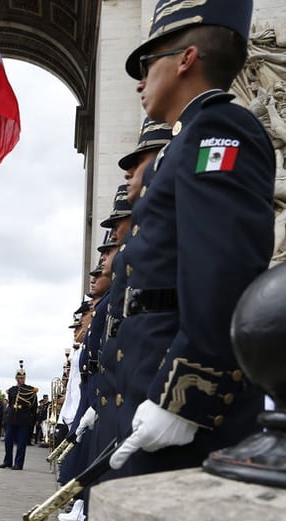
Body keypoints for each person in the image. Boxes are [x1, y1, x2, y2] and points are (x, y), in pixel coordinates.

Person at [109, 0, 276, 476]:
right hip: (148, 379)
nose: (139, 81)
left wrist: (184, 398)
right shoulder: (184, 144)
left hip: (177, 400)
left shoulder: (219, 129)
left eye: (147, 63)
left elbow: (223, 274)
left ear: (186, 59)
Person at [0, 362, 38, 470]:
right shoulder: (12, 390)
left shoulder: (31, 390)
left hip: (24, 418)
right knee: (8, 441)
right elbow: (11, 404)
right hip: (12, 417)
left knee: (21, 443)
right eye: (20, 377)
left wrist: (33, 420)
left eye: (23, 377)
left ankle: (18, 464)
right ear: (16, 378)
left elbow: (34, 407)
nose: (22, 379)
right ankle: (7, 461)